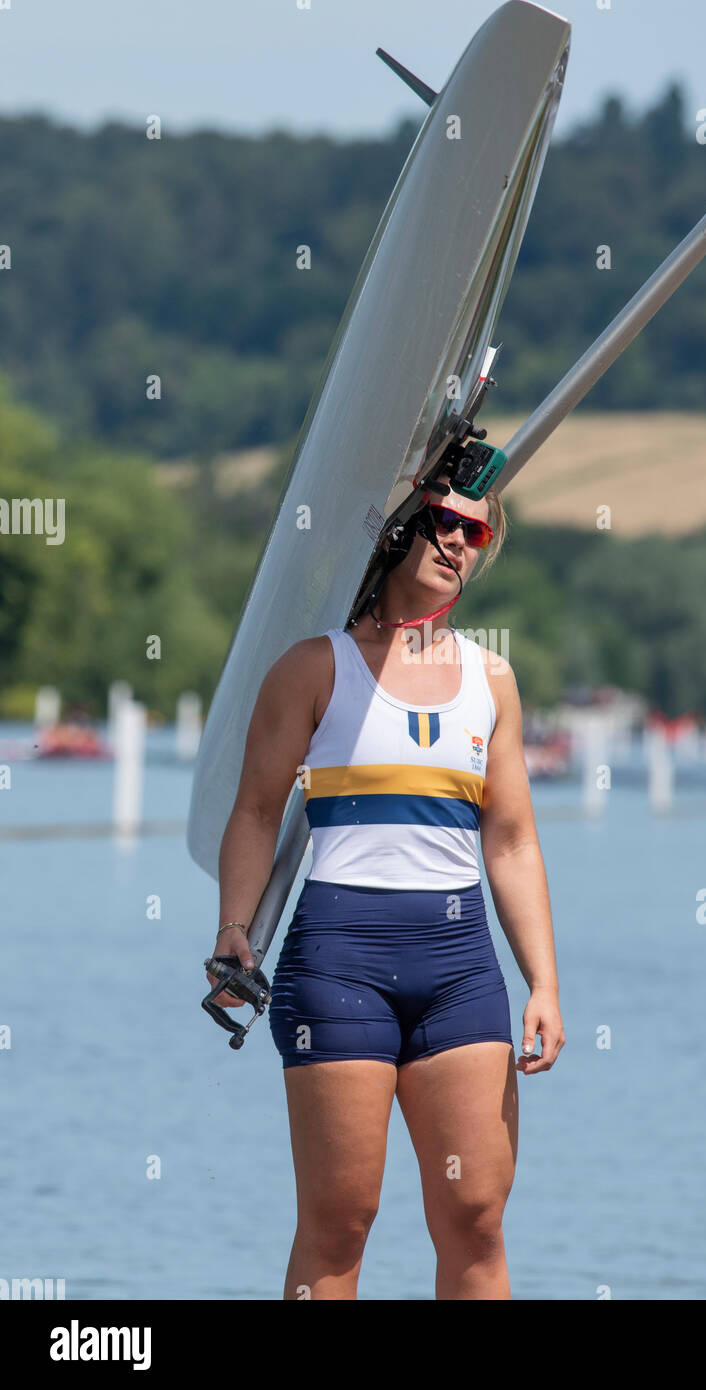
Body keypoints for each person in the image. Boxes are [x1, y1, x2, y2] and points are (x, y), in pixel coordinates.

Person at [206, 474, 564, 1300]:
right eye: (440, 521)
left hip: (461, 970)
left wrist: (543, 981)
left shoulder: (493, 681)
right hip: (337, 967)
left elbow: (510, 841)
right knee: (340, 1223)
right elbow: (258, 812)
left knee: (476, 1216)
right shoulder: (311, 668)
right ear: (395, 528)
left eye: (473, 534)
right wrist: (234, 930)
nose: (454, 544)